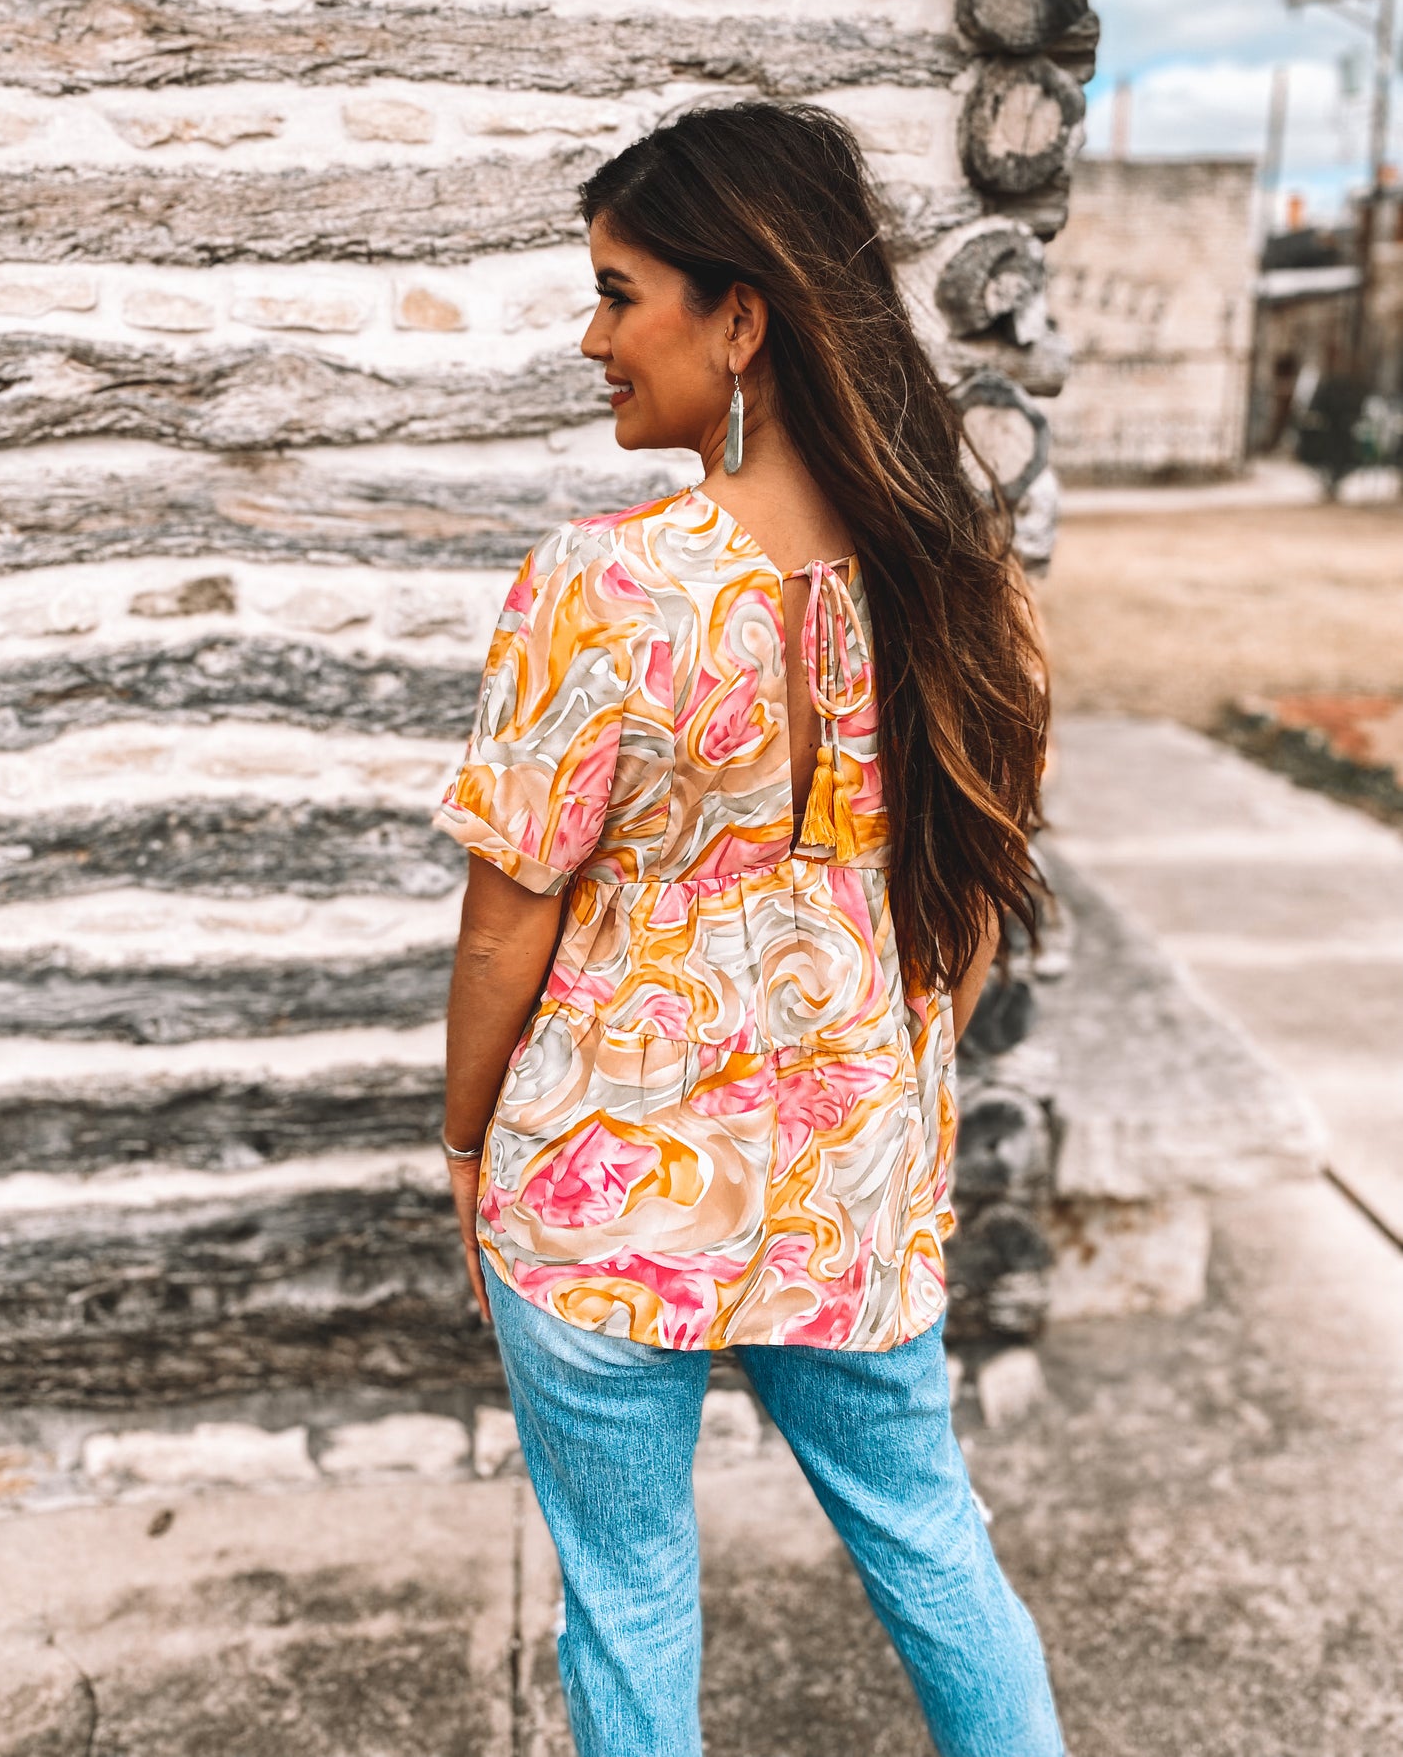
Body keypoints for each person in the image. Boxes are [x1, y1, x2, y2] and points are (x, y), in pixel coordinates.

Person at [431, 101, 1064, 1757]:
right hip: (848, 1181)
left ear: (741, 315)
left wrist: (461, 1136)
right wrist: (890, 1093)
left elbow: (510, 922)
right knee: (933, 1548)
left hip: (598, 1180)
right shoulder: (961, 589)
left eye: (618, 292)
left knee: (628, 1601)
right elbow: (964, 920)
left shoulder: (601, 583)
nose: (592, 337)